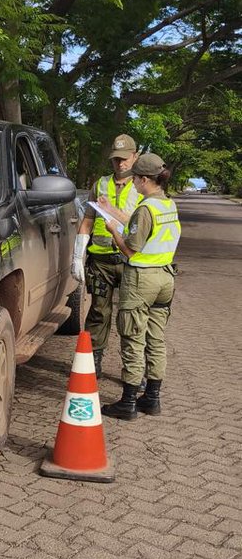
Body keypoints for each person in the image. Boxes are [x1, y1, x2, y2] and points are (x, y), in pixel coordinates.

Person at [99, 153, 181, 420]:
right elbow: (145, 232)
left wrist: (113, 231)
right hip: (165, 279)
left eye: (135, 178)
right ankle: (152, 399)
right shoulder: (167, 205)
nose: (132, 182)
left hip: (142, 279)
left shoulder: (145, 209)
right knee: (155, 339)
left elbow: (131, 249)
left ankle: (128, 402)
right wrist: (112, 210)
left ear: (145, 179)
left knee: (132, 338)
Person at [71, 134, 141, 377]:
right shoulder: (100, 184)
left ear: (135, 156)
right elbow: (88, 220)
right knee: (99, 312)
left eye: (125, 159)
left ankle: (133, 370)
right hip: (100, 260)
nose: (120, 164)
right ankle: (92, 363)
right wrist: (78, 255)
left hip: (131, 261)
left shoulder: (144, 186)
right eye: (116, 160)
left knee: (131, 316)